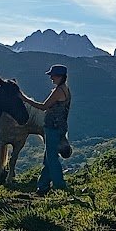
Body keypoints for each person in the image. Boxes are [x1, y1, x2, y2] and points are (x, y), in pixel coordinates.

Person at [22, 64, 71, 194]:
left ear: (60, 76)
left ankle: (60, 186)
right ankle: (42, 187)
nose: (51, 78)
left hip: (52, 127)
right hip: (60, 126)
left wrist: (25, 99)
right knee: (48, 158)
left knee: (52, 158)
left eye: (53, 76)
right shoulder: (65, 89)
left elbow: (43, 106)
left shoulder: (58, 91)